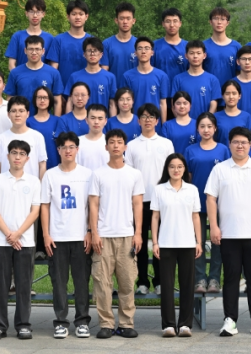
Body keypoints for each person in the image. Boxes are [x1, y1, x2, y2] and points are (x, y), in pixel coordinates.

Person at [205, 127, 251, 337]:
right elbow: (211, 198)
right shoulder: (220, 169)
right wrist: (214, 226)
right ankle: (230, 320)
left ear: (250, 144)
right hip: (228, 234)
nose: (240, 146)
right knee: (231, 278)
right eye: (236, 142)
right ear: (229, 144)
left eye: (244, 142)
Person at [88, 129, 143, 339]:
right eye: (112, 142)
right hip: (104, 235)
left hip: (127, 235)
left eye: (120, 142)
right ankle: (106, 324)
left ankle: (127, 323)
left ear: (125, 146)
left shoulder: (134, 174)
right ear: (106, 147)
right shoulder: (98, 174)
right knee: (102, 282)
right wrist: (94, 232)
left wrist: (138, 233)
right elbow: (93, 205)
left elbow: (137, 204)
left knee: (127, 281)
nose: (116, 145)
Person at [0, 139, 42, 341]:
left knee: (24, 285)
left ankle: (23, 325)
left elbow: (35, 212)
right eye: (14, 153)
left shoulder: (34, 182)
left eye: (21, 154)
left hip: (25, 242)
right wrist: (9, 234)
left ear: (27, 158)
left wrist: (18, 234)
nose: (17, 157)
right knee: (0, 286)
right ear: (8, 156)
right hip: (1, 242)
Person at [40, 131, 93, 339]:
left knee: (81, 282)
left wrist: (89, 231)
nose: (68, 151)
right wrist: (46, 234)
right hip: (57, 238)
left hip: (81, 237)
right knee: (58, 282)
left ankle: (82, 321)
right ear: (58, 150)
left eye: (72, 147)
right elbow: (45, 206)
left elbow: (92, 206)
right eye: (64, 147)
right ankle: (61, 322)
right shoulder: (50, 175)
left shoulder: (87, 175)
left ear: (77, 150)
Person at [151, 154, 202, 337]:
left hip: (187, 243)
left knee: (187, 285)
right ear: (167, 169)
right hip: (166, 243)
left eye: (180, 166)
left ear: (184, 169)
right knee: (167, 285)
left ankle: (186, 324)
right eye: (172, 166)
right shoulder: (159, 190)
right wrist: (155, 242)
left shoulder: (192, 190)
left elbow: (196, 216)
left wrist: (198, 241)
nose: (176, 170)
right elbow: (155, 217)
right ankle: (168, 325)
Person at [127, 103, 174, 295]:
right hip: (139, 201)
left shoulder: (166, 143)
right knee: (139, 242)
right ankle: (142, 281)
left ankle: (160, 281)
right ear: (138, 121)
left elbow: (172, 172)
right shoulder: (131, 145)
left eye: (151, 117)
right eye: (144, 117)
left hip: (161, 201)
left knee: (159, 242)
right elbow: (129, 174)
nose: (148, 120)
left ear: (157, 121)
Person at [185, 112, 230, 294]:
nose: (206, 130)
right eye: (202, 126)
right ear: (197, 129)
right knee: (198, 241)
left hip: (219, 203)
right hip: (196, 203)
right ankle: (200, 279)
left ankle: (214, 279)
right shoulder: (190, 150)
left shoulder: (223, 150)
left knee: (218, 242)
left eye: (209, 126)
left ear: (215, 129)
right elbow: (188, 178)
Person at [0, 96, 48, 180]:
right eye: (13, 111)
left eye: (21, 111)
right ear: (8, 114)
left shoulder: (37, 137)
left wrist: (40, 186)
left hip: (31, 186)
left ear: (27, 114)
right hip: (6, 185)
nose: (17, 115)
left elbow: (42, 165)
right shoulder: (1, 138)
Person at [45, 0, 99, 89]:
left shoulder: (93, 41)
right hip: (63, 91)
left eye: (81, 14)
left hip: (88, 90)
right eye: (74, 14)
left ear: (86, 16)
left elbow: (97, 68)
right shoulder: (59, 40)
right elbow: (54, 70)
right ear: (68, 17)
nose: (77, 17)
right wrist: (57, 92)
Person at [170, 39, 222, 119]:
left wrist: (206, 122)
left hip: (205, 124)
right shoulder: (178, 79)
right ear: (186, 56)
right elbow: (174, 105)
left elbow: (214, 104)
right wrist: (182, 122)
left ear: (204, 55)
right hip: (184, 124)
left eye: (198, 53)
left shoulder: (212, 79)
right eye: (191, 53)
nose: (195, 56)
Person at [123, 37, 170, 120]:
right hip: (134, 122)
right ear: (135, 53)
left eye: (147, 48)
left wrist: (164, 125)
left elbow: (162, 103)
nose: (143, 51)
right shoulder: (127, 76)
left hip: (155, 123)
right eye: (140, 48)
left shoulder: (162, 76)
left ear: (152, 52)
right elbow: (125, 103)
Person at [4, 35, 63, 101]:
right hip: (22, 107)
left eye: (37, 49)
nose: (34, 52)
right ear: (25, 50)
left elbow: (57, 100)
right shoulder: (15, 73)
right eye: (31, 49)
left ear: (43, 51)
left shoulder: (54, 73)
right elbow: (10, 98)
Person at [6, 0, 54, 70]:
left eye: (38, 12)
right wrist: (18, 76)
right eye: (31, 12)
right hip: (21, 76)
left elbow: (52, 64)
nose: (35, 15)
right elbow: (11, 64)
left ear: (43, 14)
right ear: (26, 13)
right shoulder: (17, 36)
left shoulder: (50, 38)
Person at [203, 7, 241, 88]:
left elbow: (239, 72)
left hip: (230, 92)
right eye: (215, 18)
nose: (219, 22)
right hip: (209, 90)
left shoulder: (236, 47)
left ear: (227, 23)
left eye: (223, 19)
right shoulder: (203, 46)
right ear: (210, 22)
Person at [29, 86, 64, 171]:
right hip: (34, 166)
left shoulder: (58, 121)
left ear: (50, 100)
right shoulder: (28, 122)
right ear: (35, 100)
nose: (42, 100)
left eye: (45, 97)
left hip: (55, 164)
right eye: (39, 97)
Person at [102, 3, 138, 83]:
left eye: (128, 18)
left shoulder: (139, 44)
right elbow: (104, 72)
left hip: (134, 88)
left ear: (133, 21)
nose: (125, 22)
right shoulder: (106, 44)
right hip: (114, 89)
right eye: (122, 18)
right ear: (116, 20)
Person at [153, 8, 189, 82]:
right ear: (163, 24)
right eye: (168, 21)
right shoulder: (154, 46)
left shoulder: (188, 47)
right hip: (160, 87)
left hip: (182, 88)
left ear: (180, 23)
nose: (172, 25)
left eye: (175, 21)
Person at [216, 80, 251, 145]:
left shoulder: (247, 117)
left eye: (234, 93)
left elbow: (250, 140)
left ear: (239, 96)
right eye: (227, 94)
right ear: (222, 96)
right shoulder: (216, 117)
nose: (231, 97)